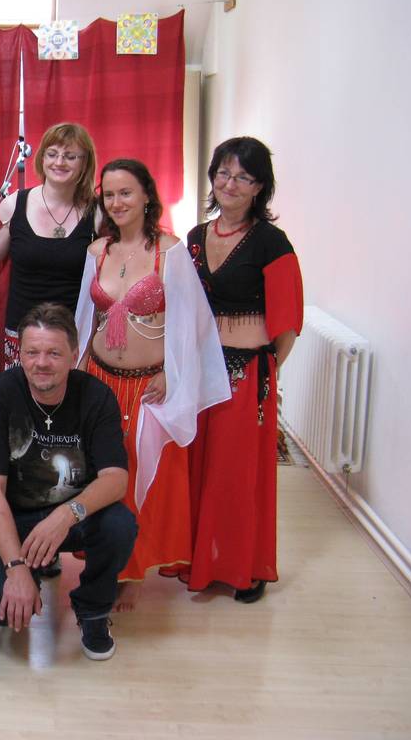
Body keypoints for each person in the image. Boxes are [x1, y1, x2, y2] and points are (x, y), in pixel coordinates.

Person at [73, 159, 229, 611]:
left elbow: (194, 323)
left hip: (147, 387)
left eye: (126, 192)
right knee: (101, 473)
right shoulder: (96, 251)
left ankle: (134, 570)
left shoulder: (170, 251)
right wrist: (78, 373)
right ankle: (105, 563)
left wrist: (172, 373)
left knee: (142, 477)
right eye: (109, 194)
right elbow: (86, 319)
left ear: (146, 196)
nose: (117, 202)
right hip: (101, 379)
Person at [0, 303, 137, 660]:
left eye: (54, 353)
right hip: (15, 517)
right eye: (32, 352)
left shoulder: (96, 396)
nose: (41, 363)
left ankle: (93, 608)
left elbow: (116, 479)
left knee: (120, 525)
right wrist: (16, 568)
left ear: (74, 355)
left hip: (75, 515)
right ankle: (31, 565)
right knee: (0, 610)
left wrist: (66, 515)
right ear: (20, 355)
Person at [181, 137, 303, 603]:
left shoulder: (272, 243)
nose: (230, 184)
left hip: (247, 374)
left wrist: (262, 373)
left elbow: (287, 325)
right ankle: (202, 561)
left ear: (259, 188)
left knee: (238, 475)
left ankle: (245, 568)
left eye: (243, 177)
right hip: (201, 371)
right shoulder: (196, 237)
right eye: (223, 173)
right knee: (200, 468)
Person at [0, 123, 99, 367]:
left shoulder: (98, 213)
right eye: (52, 154)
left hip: (71, 340)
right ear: (42, 158)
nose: (59, 162)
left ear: (85, 163)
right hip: (20, 337)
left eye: (70, 156)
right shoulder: (14, 204)